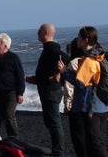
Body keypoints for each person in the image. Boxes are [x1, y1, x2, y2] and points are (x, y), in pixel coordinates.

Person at [59, 26, 108, 157]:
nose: (77, 40)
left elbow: (81, 83)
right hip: (98, 104)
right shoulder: (97, 56)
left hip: (90, 105)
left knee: (94, 141)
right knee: (92, 141)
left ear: (86, 40)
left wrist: (65, 72)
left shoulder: (89, 60)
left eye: (79, 37)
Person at [32, 23, 66, 156]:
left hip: (51, 91)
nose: (37, 33)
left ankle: (59, 152)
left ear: (46, 34)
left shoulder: (52, 48)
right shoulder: (48, 48)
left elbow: (68, 60)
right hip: (47, 89)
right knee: (50, 121)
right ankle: (56, 150)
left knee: (54, 122)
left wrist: (60, 73)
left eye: (39, 31)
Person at [62, 38, 87, 157]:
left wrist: (67, 104)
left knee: (78, 136)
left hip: (76, 104)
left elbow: (69, 86)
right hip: (90, 103)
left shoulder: (73, 63)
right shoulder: (90, 61)